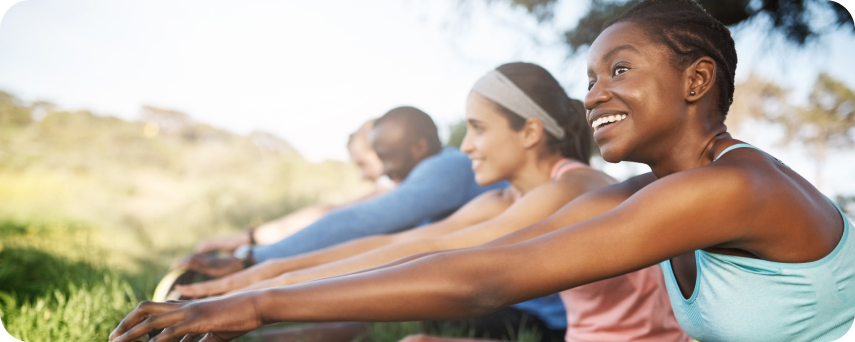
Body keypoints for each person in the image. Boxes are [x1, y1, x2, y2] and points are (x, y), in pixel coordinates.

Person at [108, 1, 855, 342]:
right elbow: (461, 254)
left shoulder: (730, 185)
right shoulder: (647, 191)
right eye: (588, 77)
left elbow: (491, 280)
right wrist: (252, 281)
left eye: (617, 68)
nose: (593, 93)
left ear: (696, 82)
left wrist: (251, 303)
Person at [173, 62, 688, 342]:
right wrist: (245, 283)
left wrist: (260, 303)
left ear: (530, 131)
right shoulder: (511, 196)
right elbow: (406, 243)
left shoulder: (572, 189)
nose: (464, 146)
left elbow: (461, 270)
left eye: (479, 130)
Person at [173, 106, 508, 279]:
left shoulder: (444, 170)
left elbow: (360, 222)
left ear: (419, 147)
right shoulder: (432, 172)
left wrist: (254, 258)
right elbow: (340, 214)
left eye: (387, 158)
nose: (384, 169)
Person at [189, 119, 396, 256]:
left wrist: (249, 240)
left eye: (363, 164)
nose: (363, 176)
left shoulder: (393, 191)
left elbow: (331, 213)